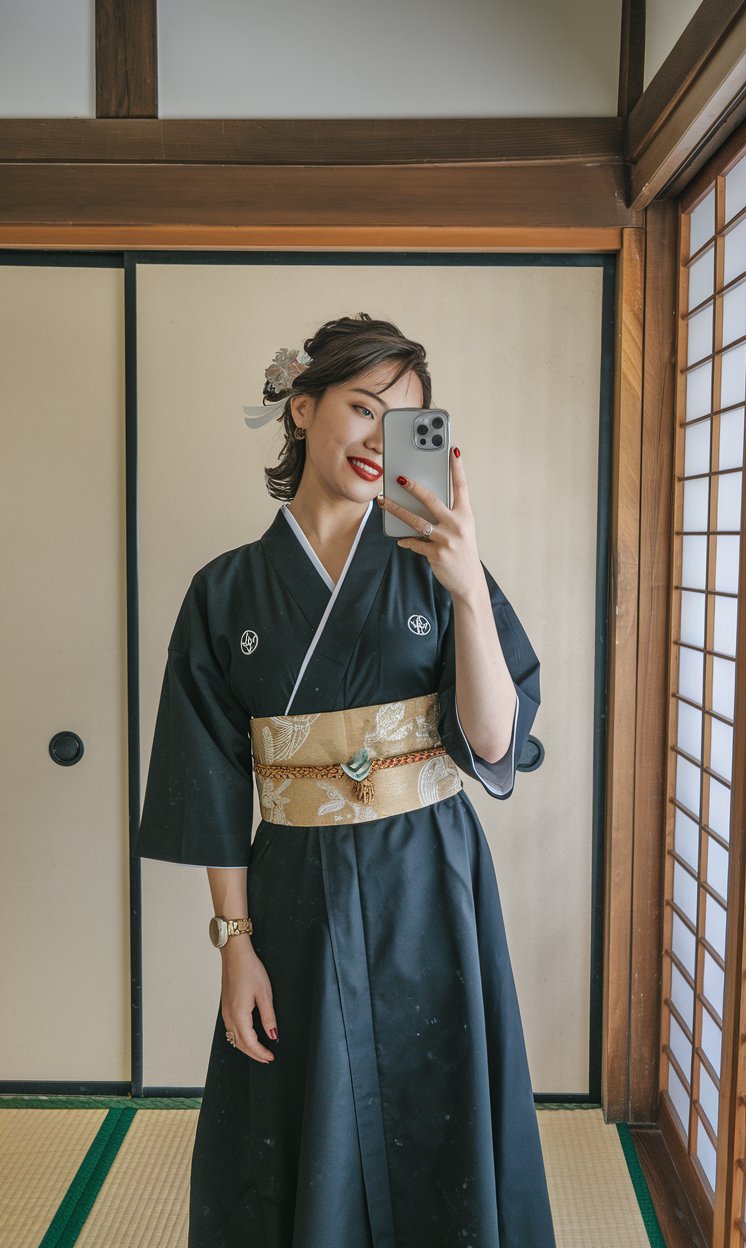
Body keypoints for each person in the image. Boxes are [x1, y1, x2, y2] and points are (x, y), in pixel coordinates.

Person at [133, 312, 557, 1247]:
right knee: (301, 1119)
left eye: (403, 422)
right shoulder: (223, 593)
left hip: (430, 880)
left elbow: (494, 741)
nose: (378, 438)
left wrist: (468, 589)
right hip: (294, 892)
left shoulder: (438, 566)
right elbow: (211, 783)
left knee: (440, 1108)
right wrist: (234, 945)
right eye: (363, 408)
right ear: (302, 408)